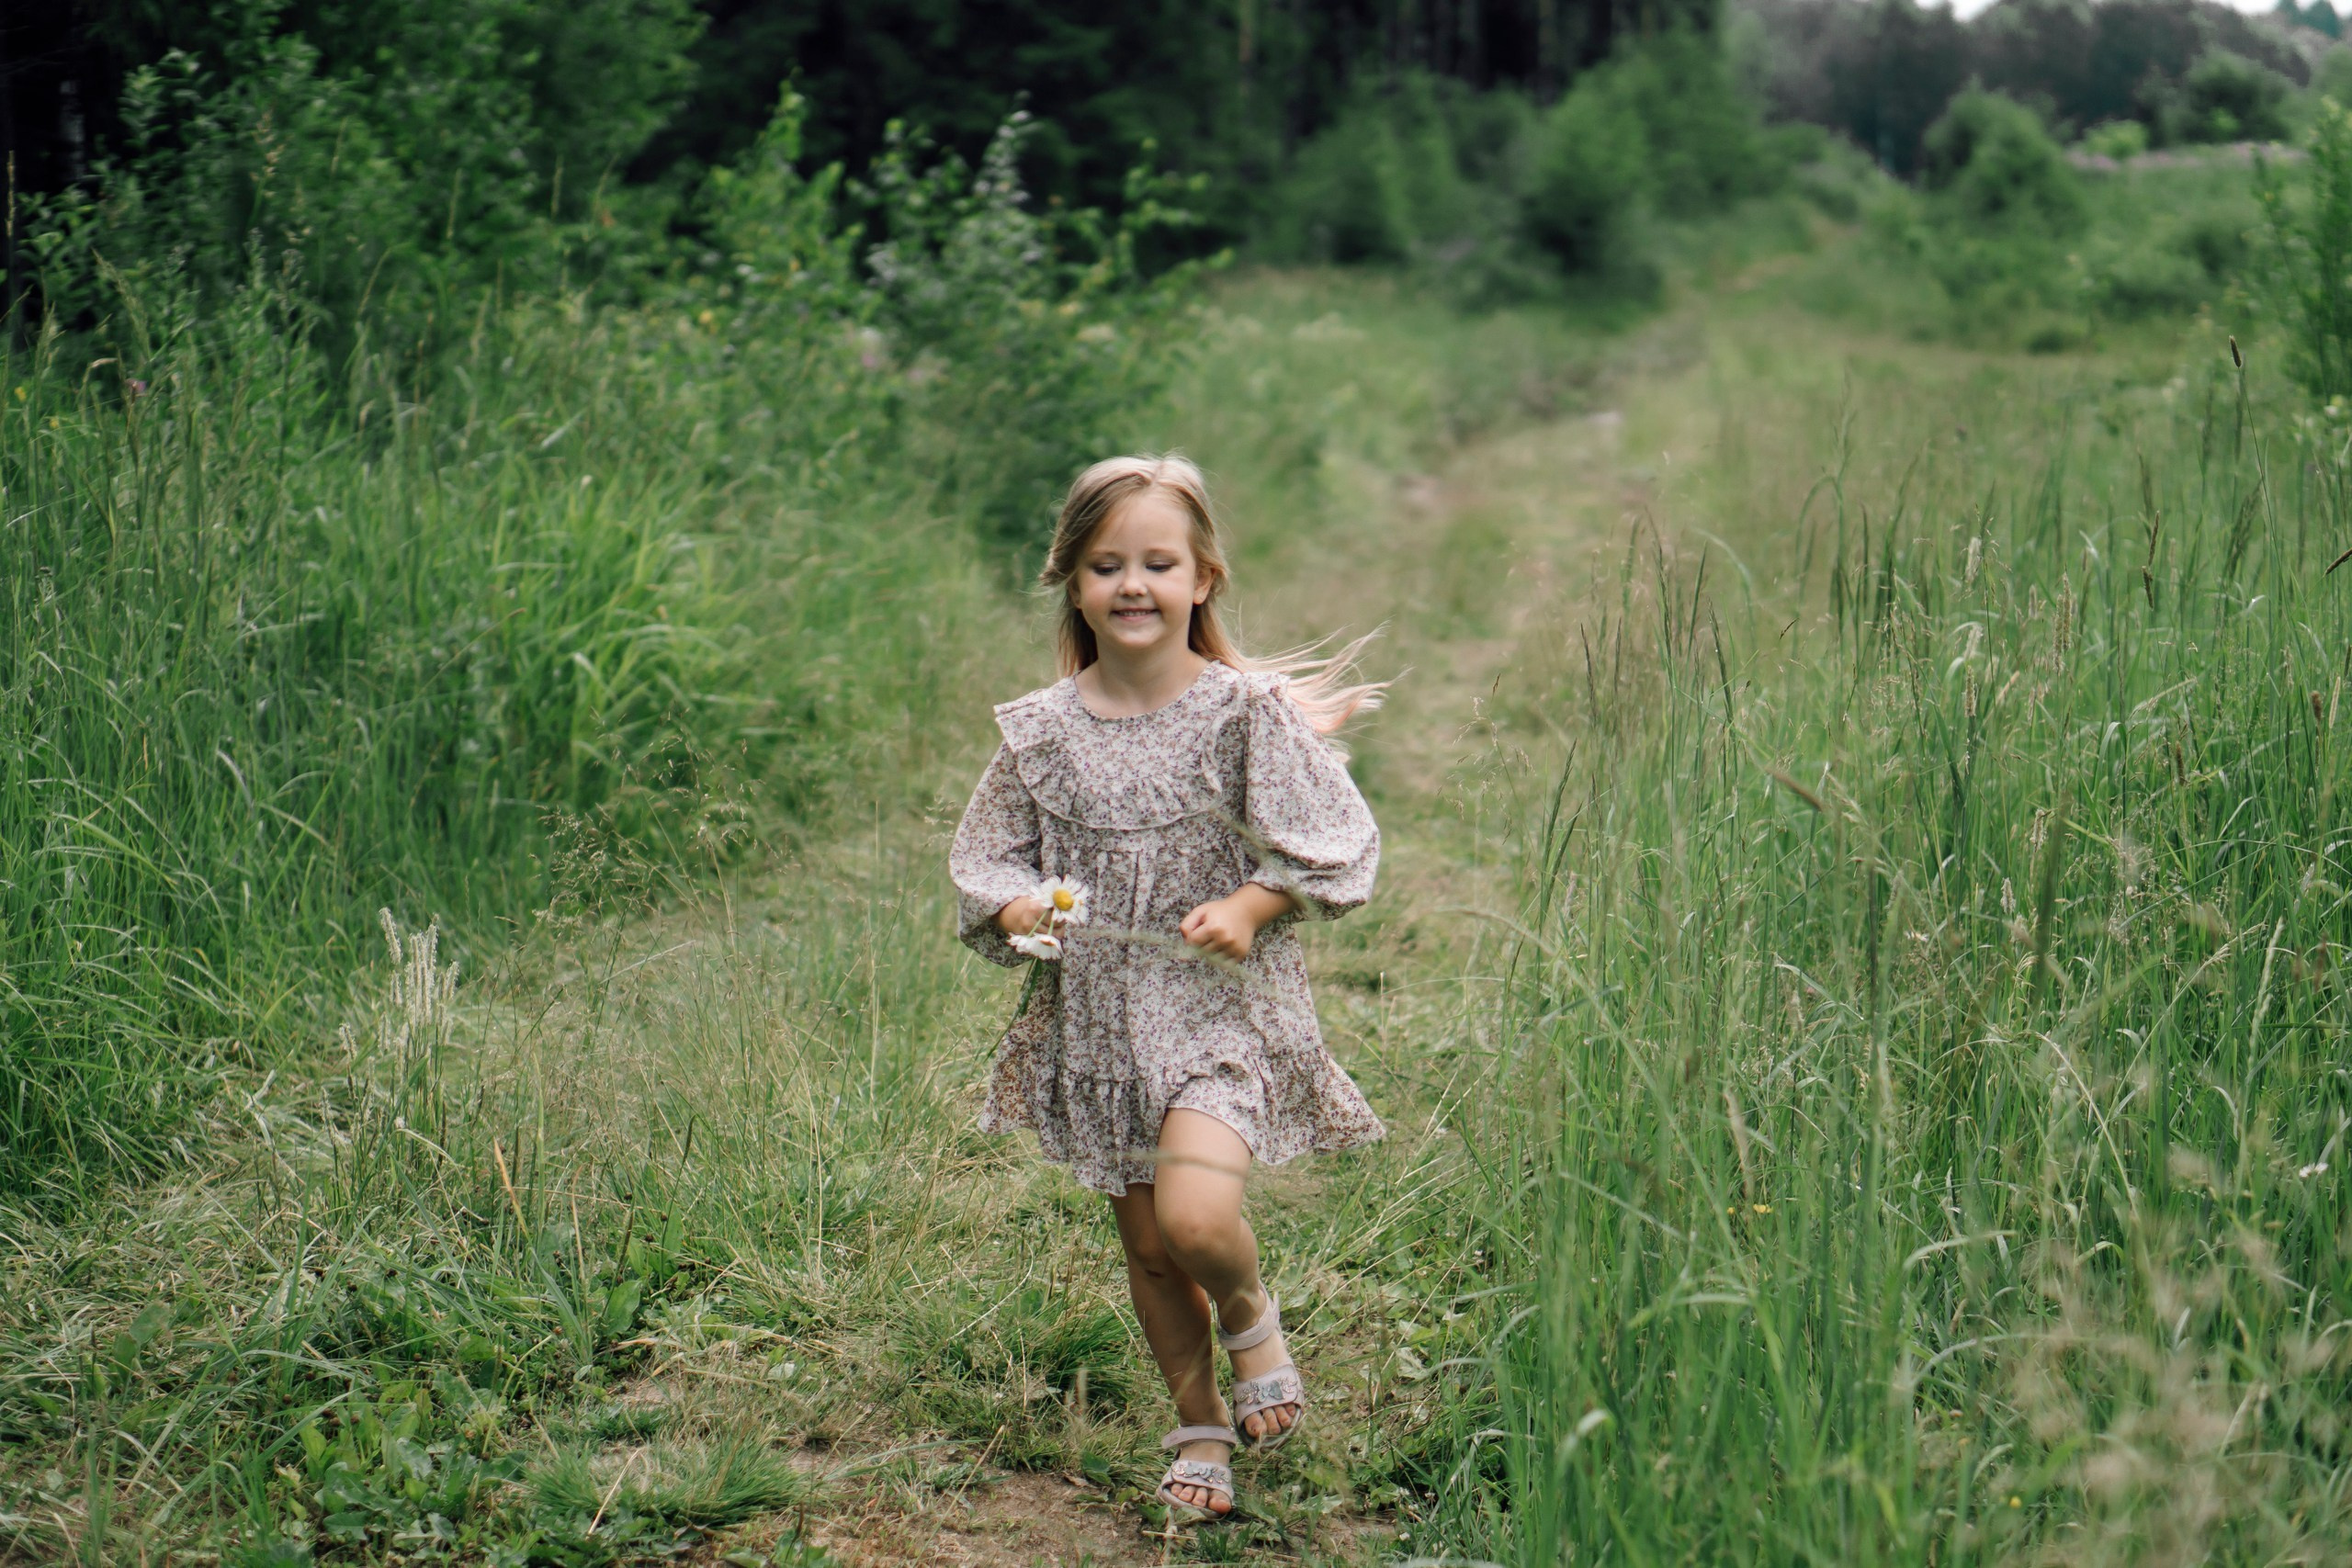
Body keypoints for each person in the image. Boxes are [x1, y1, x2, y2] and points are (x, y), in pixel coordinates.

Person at [949, 453, 1388, 1523]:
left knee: (1195, 1222)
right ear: (1073, 582)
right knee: (1146, 1248)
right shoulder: (1040, 732)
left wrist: (1247, 907)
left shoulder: (1242, 713)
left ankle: (1248, 1312)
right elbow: (986, 862)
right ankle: (1200, 1427)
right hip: (1100, 1022)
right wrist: (1019, 908)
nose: (1132, 584)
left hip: (1218, 1017)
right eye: (1107, 565)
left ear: (1204, 580)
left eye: (1157, 563)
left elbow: (1336, 842)